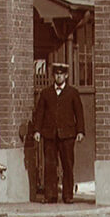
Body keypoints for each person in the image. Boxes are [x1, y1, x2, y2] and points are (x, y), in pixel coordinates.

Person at [32, 62, 85, 203]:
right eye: (56, 74)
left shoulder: (72, 93)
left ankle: (67, 196)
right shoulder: (46, 93)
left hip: (67, 135)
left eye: (61, 74)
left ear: (66, 76)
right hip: (49, 135)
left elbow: (79, 113)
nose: (59, 77)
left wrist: (80, 131)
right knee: (50, 165)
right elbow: (40, 113)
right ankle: (51, 195)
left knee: (67, 165)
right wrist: (37, 130)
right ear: (53, 76)